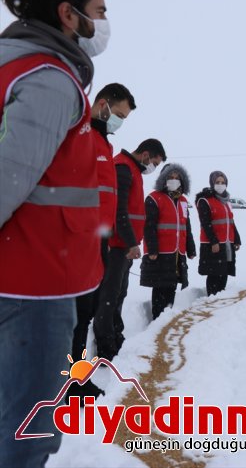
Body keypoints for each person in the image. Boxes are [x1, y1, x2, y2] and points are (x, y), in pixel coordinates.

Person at [0, 0, 107, 465]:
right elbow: (8, 179)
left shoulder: (17, 65)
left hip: (22, 276)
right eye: (99, 10)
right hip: (32, 286)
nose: (104, 23)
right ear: (69, 15)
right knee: (28, 427)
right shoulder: (48, 78)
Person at [68, 83, 136, 402]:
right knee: (76, 315)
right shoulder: (79, 135)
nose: (118, 121)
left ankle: (76, 379)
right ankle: (67, 382)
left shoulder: (103, 144)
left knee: (86, 312)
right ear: (102, 104)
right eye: (118, 114)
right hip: (75, 242)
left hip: (97, 244)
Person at [93, 139, 166, 359]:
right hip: (117, 246)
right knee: (109, 295)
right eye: (154, 162)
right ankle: (105, 349)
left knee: (119, 293)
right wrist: (131, 242)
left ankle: (116, 335)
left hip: (124, 246)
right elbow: (119, 211)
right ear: (145, 155)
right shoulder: (123, 168)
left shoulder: (132, 169)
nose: (153, 167)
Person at [140, 164, 196, 319]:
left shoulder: (183, 201)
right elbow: (149, 226)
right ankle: (157, 321)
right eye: (170, 177)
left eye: (177, 178)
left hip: (178, 253)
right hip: (160, 253)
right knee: (160, 287)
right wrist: (152, 249)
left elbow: (186, 226)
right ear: (163, 179)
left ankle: (167, 319)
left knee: (172, 286)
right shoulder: (154, 198)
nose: (174, 180)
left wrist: (190, 248)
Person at [196, 171, 241, 296]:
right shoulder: (205, 200)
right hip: (213, 244)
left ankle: (220, 299)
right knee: (214, 273)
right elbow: (206, 223)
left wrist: (236, 239)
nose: (220, 185)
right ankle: (212, 299)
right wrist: (214, 241)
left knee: (224, 271)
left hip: (227, 243)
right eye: (217, 182)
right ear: (212, 183)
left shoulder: (227, 202)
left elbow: (231, 222)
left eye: (223, 182)